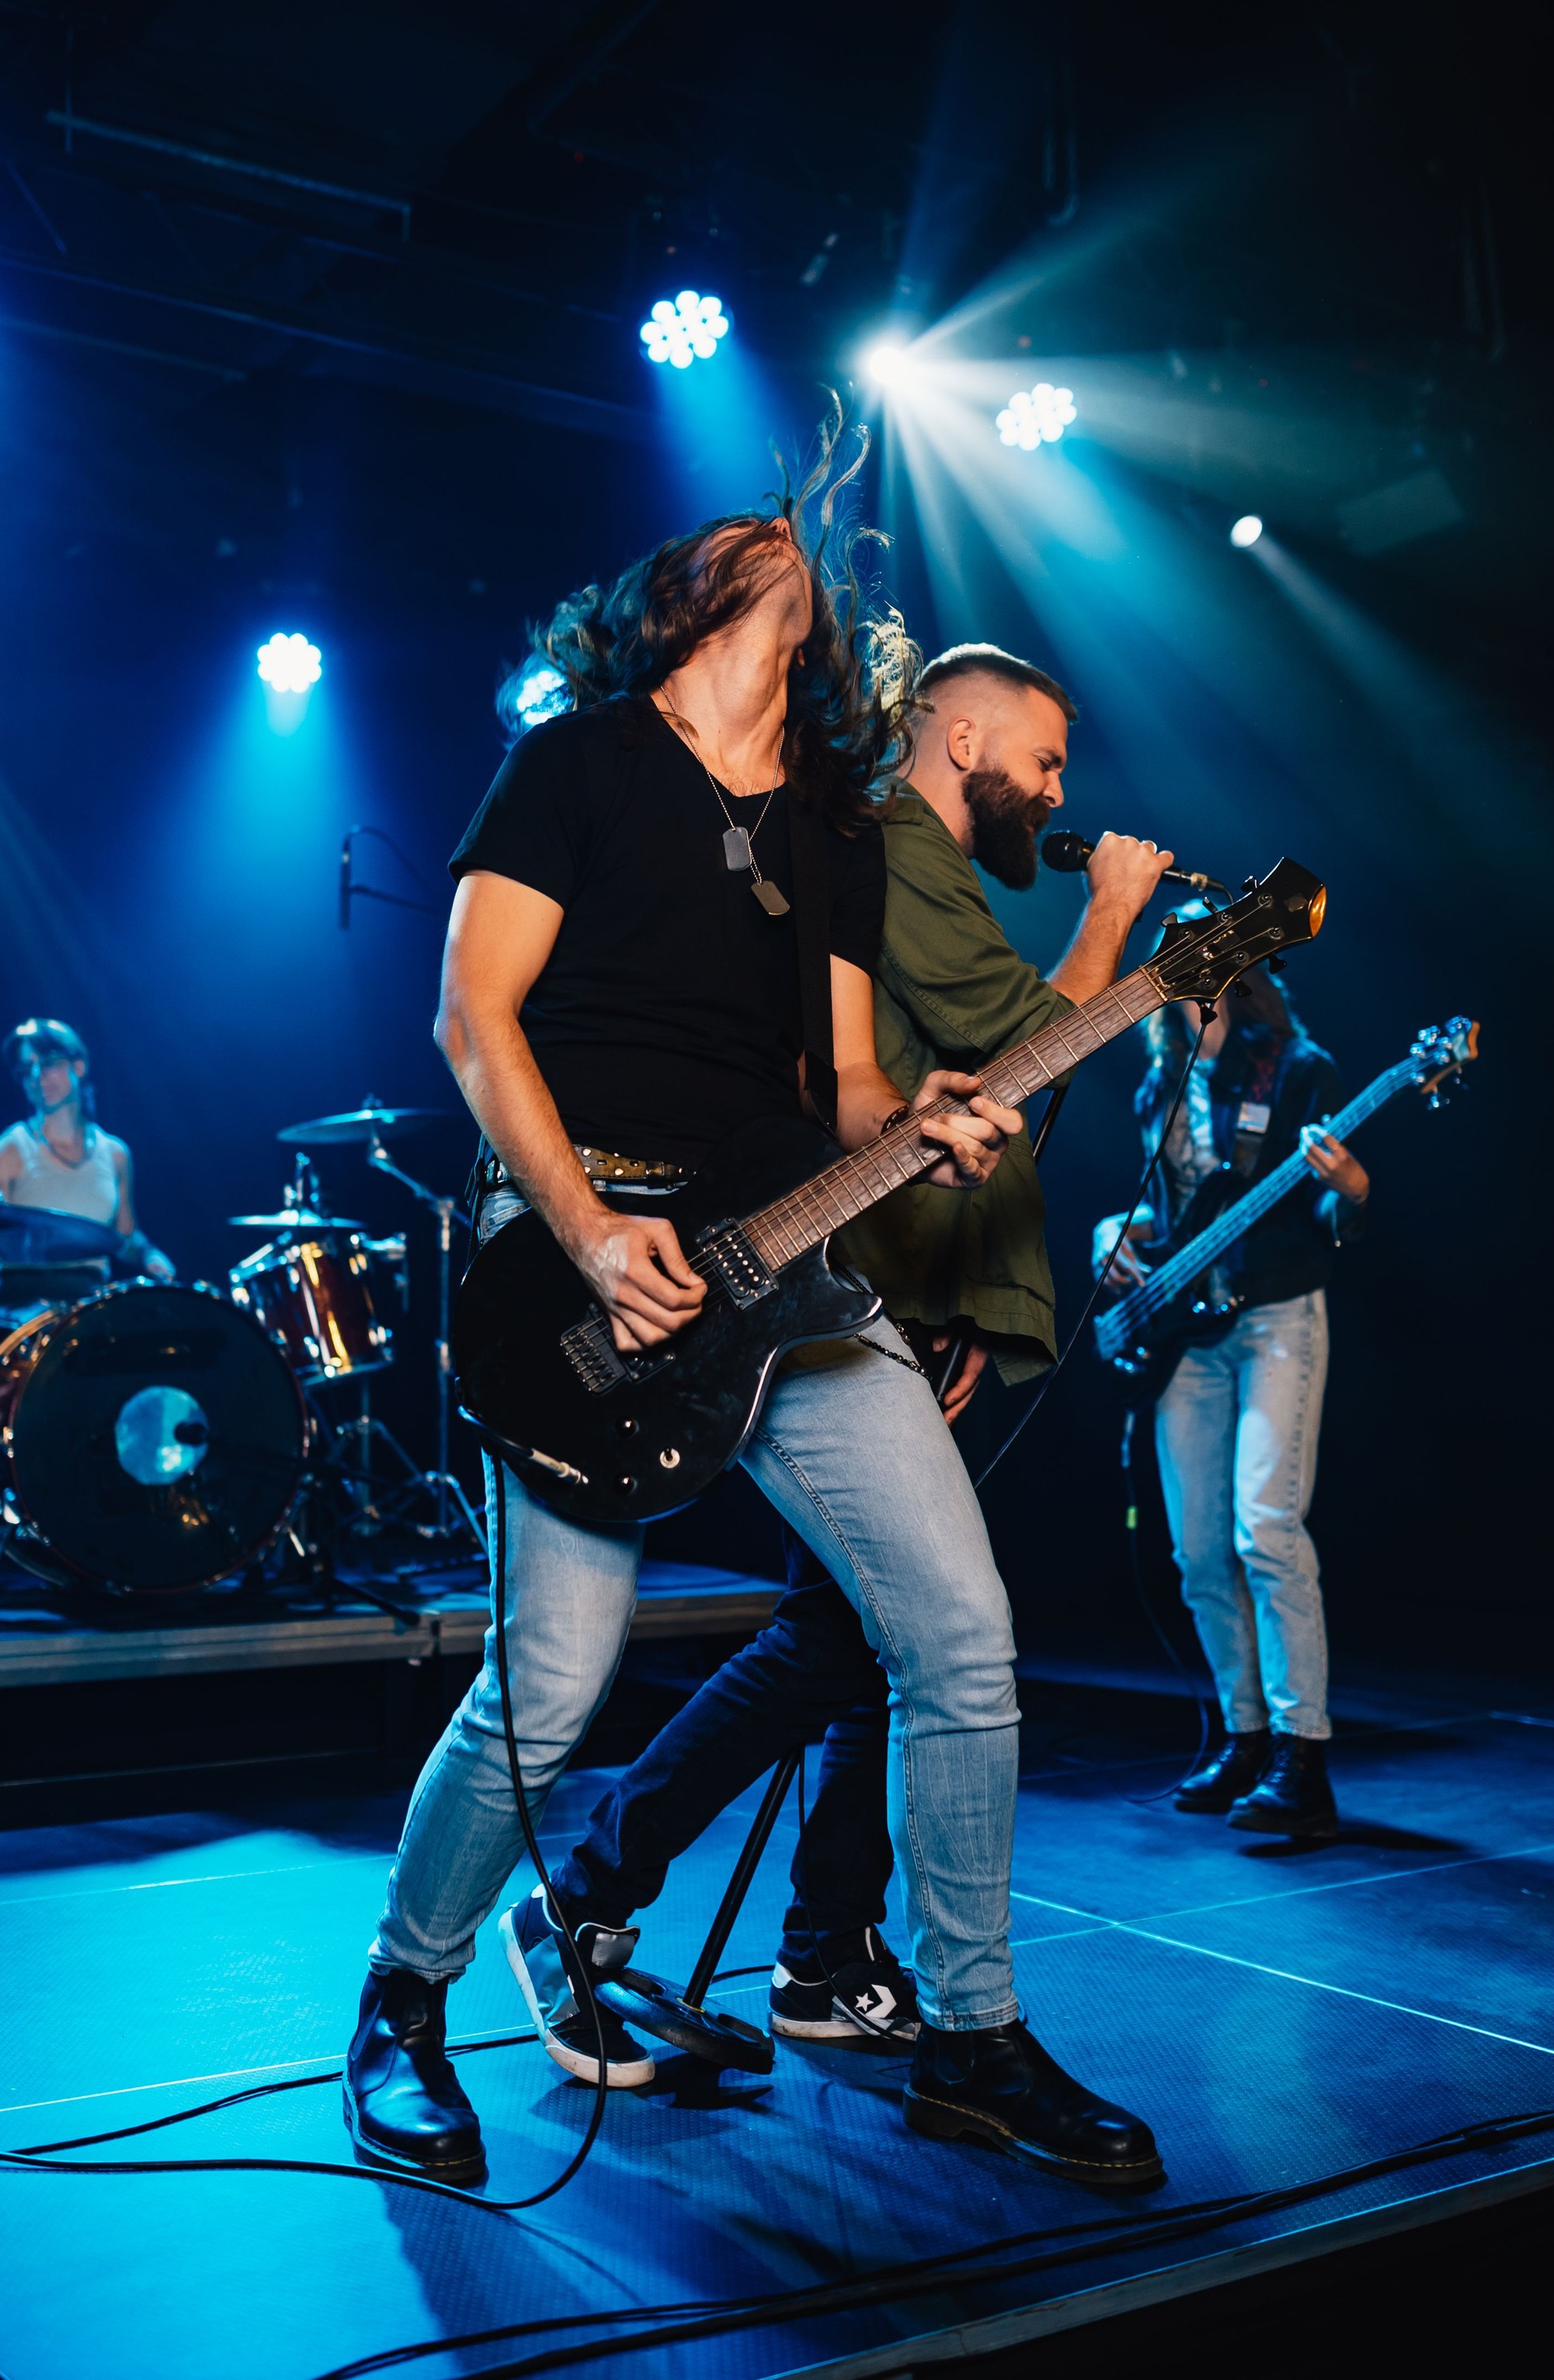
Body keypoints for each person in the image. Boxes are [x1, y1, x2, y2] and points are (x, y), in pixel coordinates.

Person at [344, 428, 1167, 2192]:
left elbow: (855, 1087)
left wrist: (928, 1129)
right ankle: (403, 2003)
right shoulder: (571, 765)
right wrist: (579, 1230)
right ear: (691, 603)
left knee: (958, 1637)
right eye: (752, 538)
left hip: (787, 1244)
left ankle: (968, 2035)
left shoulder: (830, 827)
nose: (783, 548)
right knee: (547, 1696)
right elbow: (475, 1020)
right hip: (582, 1252)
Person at [534, 644, 1173, 2066]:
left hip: (903, 1291)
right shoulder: (900, 844)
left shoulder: (908, 863)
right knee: (854, 1635)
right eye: (1044, 759)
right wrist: (1114, 913)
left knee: (861, 1638)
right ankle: (601, 1893)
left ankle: (811, 1949)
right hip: (856, 1288)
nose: (1058, 791)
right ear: (957, 735)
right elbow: (1023, 1047)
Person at [1092, 941, 1368, 1839]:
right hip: (1185, 1335)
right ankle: (1244, 1737)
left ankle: (1303, 1753)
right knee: (1199, 1553)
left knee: (1266, 1531)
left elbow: (1324, 1214)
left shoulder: (1294, 1067)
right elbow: (1167, 1208)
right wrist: (1112, 1232)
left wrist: (1351, 1190)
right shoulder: (1157, 1084)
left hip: (1277, 1315)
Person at [0, 1018, 173, 1311]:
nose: (37, 1076)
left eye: (48, 1063)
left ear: (78, 1066)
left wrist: (149, 1255)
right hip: (19, 1312)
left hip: (89, 1312)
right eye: (26, 1069)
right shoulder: (7, 1151)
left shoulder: (115, 1154)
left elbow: (126, 1238)